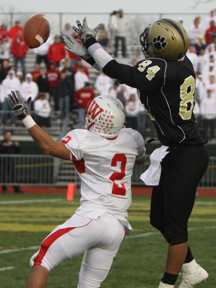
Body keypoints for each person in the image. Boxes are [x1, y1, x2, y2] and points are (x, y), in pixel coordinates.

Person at [64, 17, 210, 288]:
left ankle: (167, 284)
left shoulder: (163, 69)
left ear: (161, 45)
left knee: (176, 229)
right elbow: (122, 72)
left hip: (185, 155)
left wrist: (92, 43)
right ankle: (192, 269)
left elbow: (123, 71)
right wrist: (91, 57)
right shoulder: (177, 65)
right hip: (178, 152)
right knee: (158, 219)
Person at [8, 90, 146, 288]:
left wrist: (25, 117)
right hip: (118, 226)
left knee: (41, 261)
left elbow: (50, 148)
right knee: (88, 284)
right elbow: (141, 159)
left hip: (93, 217)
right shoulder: (132, 138)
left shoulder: (83, 138)